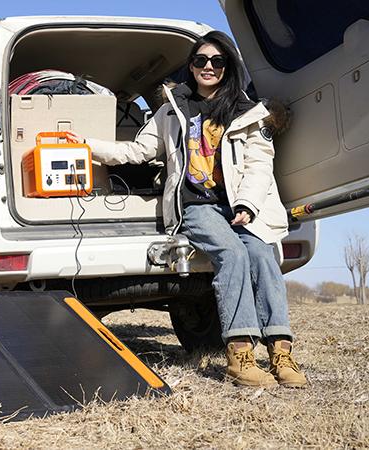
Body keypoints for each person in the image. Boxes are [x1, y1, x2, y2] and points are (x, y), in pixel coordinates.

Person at [67, 31, 307, 388]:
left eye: (217, 61)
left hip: (239, 204)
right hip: (196, 205)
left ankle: (280, 351)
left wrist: (247, 204)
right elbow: (137, 151)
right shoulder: (171, 109)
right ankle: (240, 355)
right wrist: (87, 145)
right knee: (232, 254)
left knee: (261, 253)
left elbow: (259, 165)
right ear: (191, 67)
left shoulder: (249, 113)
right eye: (200, 60)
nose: (208, 67)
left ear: (229, 67)